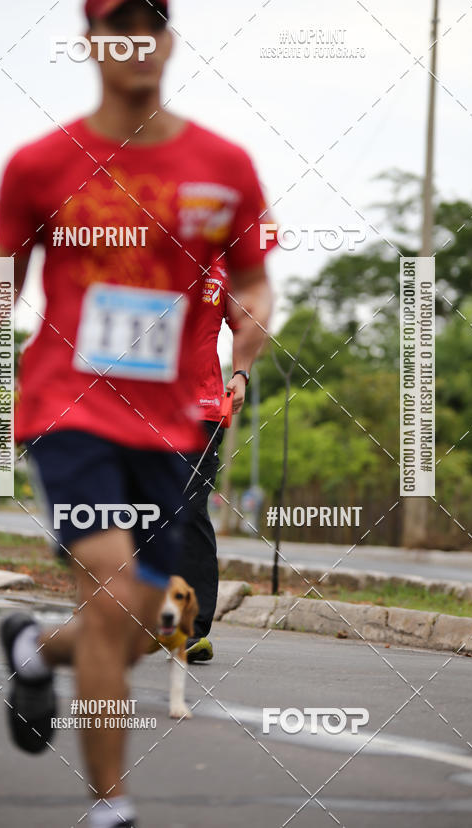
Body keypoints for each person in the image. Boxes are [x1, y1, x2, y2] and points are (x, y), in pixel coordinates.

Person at [0, 0, 273, 828]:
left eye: (150, 26)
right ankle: (110, 807)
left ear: (168, 42)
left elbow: (256, 280)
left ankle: (32, 646)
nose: (135, 42)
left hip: (173, 423)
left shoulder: (223, 167)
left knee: (151, 623)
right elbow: (7, 267)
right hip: (70, 409)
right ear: (91, 44)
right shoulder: (41, 164)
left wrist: (253, 328)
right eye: (116, 28)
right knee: (118, 593)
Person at [179, 258, 253, 664]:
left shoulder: (224, 267)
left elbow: (245, 323)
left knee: (189, 508)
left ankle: (193, 631)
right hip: (138, 408)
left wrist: (241, 373)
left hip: (204, 409)